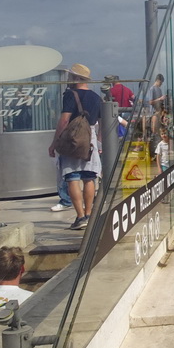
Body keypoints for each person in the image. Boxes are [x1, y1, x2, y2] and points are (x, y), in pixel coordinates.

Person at [48, 64, 102, 231]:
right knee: (89, 177)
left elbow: (65, 120)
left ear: (75, 78)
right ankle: (89, 213)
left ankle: (79, 217)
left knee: (72, 176)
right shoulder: (95, 97)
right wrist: (99, 142)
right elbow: (102, 122)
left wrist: (55, 142)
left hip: (72, 138)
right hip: (90, 137)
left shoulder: (71, 94)